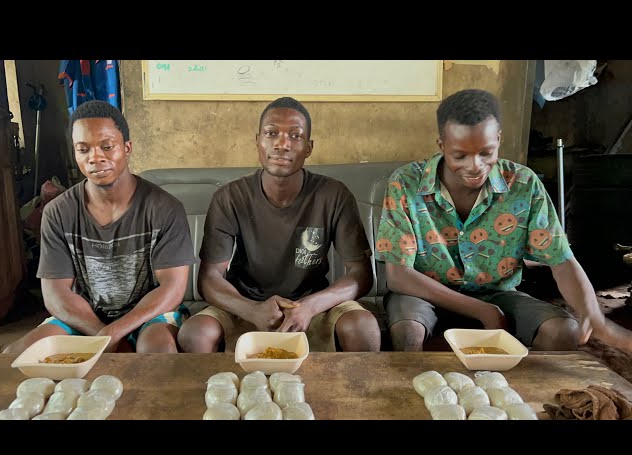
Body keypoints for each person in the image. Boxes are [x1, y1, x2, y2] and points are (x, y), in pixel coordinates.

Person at [375, 88, 632, 353]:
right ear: (442, 146)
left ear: (498, 140)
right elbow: (399, 277)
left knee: (564, 331)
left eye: (486, 152)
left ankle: (520, 393)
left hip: (498, 293)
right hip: (422, 294)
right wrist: (481, 310)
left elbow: (561, 259)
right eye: (460, 155)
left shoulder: (523, 184)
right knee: (408, 330)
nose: (475, 165)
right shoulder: (406, 183)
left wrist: (591, 311)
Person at [178, 96, 381, 353]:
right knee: (195, 333)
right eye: (271, 133)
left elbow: (360, 275)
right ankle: (218, 392)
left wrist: (310, 305)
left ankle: (353, 395)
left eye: (295, 136)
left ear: (309, 147)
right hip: (245, 305)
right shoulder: (230, 197)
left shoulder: (333, 195)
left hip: (313, 305)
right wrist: (252, 309)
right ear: (257, 140)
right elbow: (209, 278)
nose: (282, 144)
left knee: (362, 325)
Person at [3, 100, 195, 354]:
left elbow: (172, 288)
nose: (95, 158)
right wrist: (102, 335)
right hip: (83, 317)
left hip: (149, 316)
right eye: (83, 149)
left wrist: (116, 332)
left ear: (127, 148)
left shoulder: (164, 208)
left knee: (157, 350)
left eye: (107, 146)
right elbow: (55, 293)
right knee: (17, 354)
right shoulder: (58, 212)